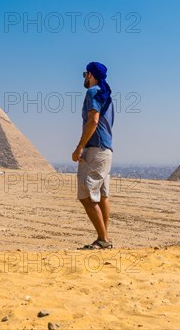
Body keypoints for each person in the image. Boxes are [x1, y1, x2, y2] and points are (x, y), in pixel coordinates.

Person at [72, 62, 115, 249]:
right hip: (106, 150)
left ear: (90, 75)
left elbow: (93, 120)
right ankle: (104, 238)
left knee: (86, 195)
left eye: (84, 74)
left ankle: (103, 239)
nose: (84, 78)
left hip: (95, 149)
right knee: (103, 196)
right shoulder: (107, 96)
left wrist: (80, 146)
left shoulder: (92, 92)